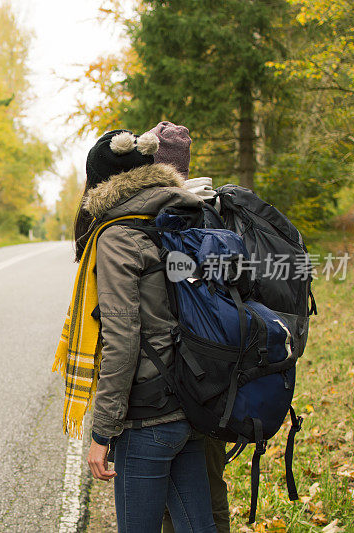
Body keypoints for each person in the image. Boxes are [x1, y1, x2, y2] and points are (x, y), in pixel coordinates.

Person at [54, 127, 216, 532]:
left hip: (147, 418)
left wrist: (102, 433)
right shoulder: (178, 215)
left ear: (100, 183)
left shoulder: (117, 236)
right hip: (190, 403)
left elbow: (123, 342)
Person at [144, 122, 231, 533]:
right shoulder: (217, 215)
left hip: (166, 383)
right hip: (214, 377)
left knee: (164, 497)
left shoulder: (152, 221)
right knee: (210, 492)